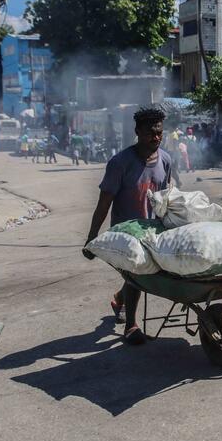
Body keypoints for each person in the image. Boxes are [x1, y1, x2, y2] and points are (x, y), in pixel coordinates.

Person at [83, 107, 181, 346]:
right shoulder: (120, 163)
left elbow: (165, 197)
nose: (156, 138)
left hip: (152, 229)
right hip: (126, 232)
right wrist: (91, 238)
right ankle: (131, 326)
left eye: (159, 133)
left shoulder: (165, 160)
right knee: (137, 273)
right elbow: (104, 203)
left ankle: (119, 299)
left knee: (145, 274)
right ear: (137, 132)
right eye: (150, 133)